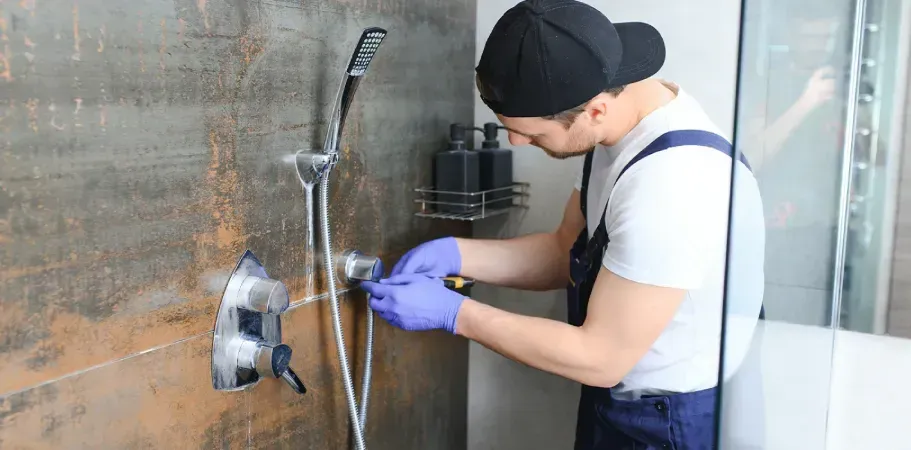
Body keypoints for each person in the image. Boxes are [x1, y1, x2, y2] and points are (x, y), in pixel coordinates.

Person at [360, 0, 765, 448]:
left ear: (594, 110)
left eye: (533, 134)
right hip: (615, 394)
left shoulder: (673, 184)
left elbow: (602, 356)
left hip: (666, 422)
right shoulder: (615, 125)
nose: (518, 142)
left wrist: (454, 313)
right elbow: (564, 253)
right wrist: (460, 253)